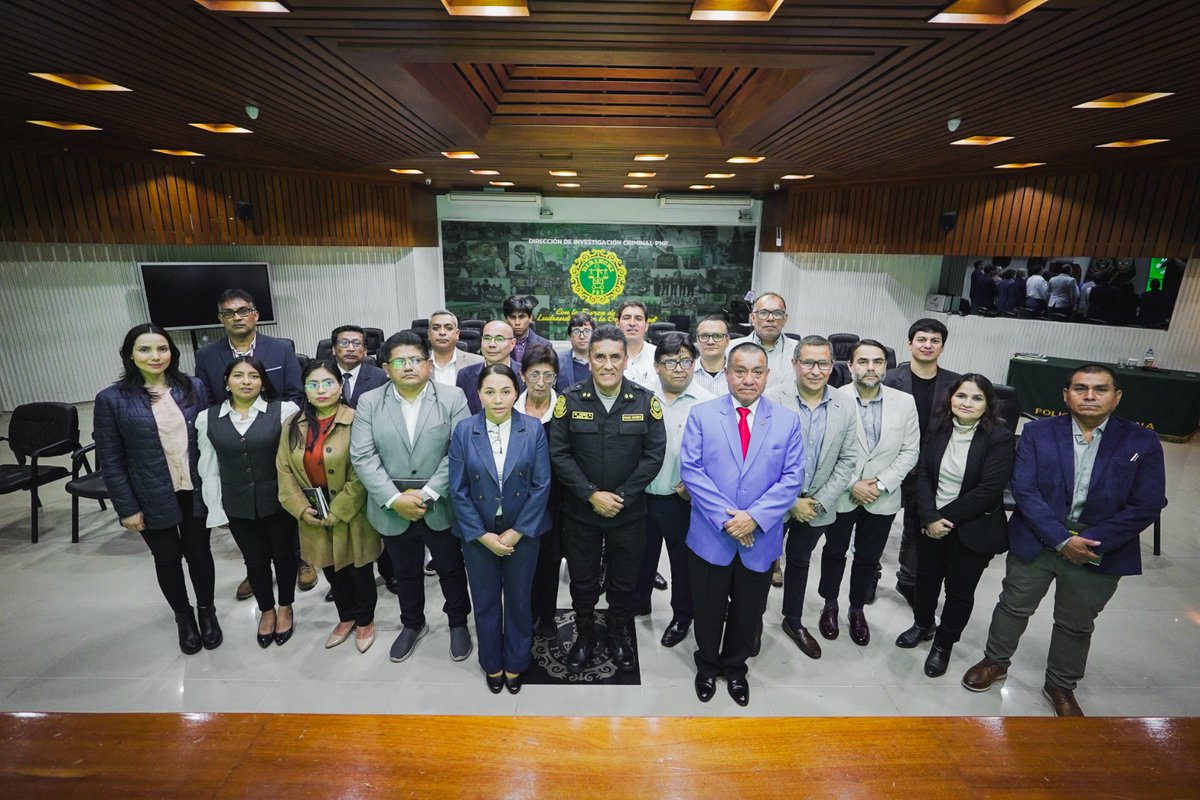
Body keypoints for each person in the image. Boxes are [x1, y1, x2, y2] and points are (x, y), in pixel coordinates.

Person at [962, 365, 1167, 716]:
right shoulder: (1037, 432)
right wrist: (1060, 539)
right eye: (1081, 388)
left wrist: (1089, 540)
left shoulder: (1141, 441)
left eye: (1100, 389)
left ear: (1116, 397)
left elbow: (1148, 504)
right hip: (1039, 538)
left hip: (1099, 549)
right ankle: (995, 661)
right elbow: (1024, 489)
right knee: (1013, 606)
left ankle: (1060, 683)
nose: (1090, 396)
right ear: (1066, 395)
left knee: (1076, 623)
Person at [680, 342, 805, 706]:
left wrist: (754, 518)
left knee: (748, 611)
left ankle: (736, 668)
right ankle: (707, 665)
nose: (748, 380)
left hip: (760, 538)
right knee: (707, 608)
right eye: (740, 371)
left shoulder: (786, 421)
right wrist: (728, 519)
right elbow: (692, 470)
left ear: (767, 375)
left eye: (757, 372)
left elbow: (792, 478)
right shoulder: (702, 415)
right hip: (711, 536)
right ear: (727, 374)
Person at [94, 323, 222, 655]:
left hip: (193, 488)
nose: (155, 356)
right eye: (145, 349)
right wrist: (127, 508)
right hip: (149, 494)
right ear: (130, 355)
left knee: (199, 553)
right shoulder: (111, 399)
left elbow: (209, 439)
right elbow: (111, 460)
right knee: (167, 558)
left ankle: (207, 610)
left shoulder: (193, 387)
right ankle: (184, 618)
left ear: (172, 353)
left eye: (162, 348)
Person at [350, 330, 474, 663]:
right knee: (405, 572)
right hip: (392, 507)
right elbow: (363, 456)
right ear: (386, 368)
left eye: (416, 360)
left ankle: (458, 622)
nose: (408, 367)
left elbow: (460, 451)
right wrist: (394, 500)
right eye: (399, 362)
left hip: (441, 502)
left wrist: (429, 493)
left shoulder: (452, 397)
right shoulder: (370, 402)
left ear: (429, 365)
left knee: (451, 569)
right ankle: (412, 623)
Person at [549, 325, 666, 674]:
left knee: (624, 580)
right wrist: (590, 494)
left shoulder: (645, 401)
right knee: (582, 581)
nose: (608, 364)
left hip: (628, 513)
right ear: (589, 359)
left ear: (626, 359)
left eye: (615, 356)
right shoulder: (569, 400)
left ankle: (617, 635)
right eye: (600, 356)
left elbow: (654, 455)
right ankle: (584, 636)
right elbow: (559, 453)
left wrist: (622, 496)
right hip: (581, 512)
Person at [193, 288, 311, 599]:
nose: (237, 317)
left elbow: (296, 393)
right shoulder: (206, 356)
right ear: (221, 319)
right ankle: (256, 569)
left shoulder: (280, 349)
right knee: (247, 512)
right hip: (233, 436)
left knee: (284, 504)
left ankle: (300, 559)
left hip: (276, 433)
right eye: (229, 313)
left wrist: (279, 426)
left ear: (255, 315)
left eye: (243, 310)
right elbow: (207, 399)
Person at [897, 375, 1015, 678]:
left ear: (988, 404)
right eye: (961, 396)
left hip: (972, 528)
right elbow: (924, 472)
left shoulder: (999, 437)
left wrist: (940, 519)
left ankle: (943, 644)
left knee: (959, 591)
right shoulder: (938, 426)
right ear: (951, 398)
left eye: (977, 398)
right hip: (931, 522)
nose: (967, 403)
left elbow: (988, 490)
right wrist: (928, 516)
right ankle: (923, 625)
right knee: (926, 579)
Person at [449, 365, 552, 694]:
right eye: (489, 392)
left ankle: (517, 661)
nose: (498, 400)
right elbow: (458, 490)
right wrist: (482, 536)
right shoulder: (464, 430)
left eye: (505, 391)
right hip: (478, 533)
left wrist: (518, 531)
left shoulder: (532, 429)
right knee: (485, 600)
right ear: (478, 394)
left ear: (516, 392)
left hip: (522, 531)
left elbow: (541, 485)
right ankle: (491, 661)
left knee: (520, 600)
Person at [277, 360, 384, 654]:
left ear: (340, 386)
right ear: (305, 390)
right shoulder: (292, 424)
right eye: (313, 384)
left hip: (351, 508)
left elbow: (365, 468)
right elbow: (284, 470)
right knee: (332, 570)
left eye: (328, 383)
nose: (321, 390)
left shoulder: (358, 419)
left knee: (359, 570)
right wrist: (301, 508)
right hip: (312, 508)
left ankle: (365, 620)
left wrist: (340, 508)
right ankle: (345, 617)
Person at [765, 335, 858, 661]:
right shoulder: (773, 399)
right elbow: (762, 458)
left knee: (800, 561)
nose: (815, 370)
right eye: (808, 362)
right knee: (762, 563)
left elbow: (847, 460)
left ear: (832, 366)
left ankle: (793, 620)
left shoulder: (845, 404)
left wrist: (818, 502)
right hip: (776, 503)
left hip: (818, 504)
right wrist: (790, 502)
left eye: (823, 363)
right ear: (794, 364)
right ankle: (752, 623)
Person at [821, 340, 919, 647]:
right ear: (850, 365)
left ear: (886, 366)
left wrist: (880, 484)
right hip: (841, 492)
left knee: (868, 557)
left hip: (882, 496)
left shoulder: (905, 402)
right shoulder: (833, 399)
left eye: (877, 361)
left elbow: (910, 451)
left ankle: (857, 609)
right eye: (863, 361)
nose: (870, 368)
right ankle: (830, 604)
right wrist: (853, 483)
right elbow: (826, 450)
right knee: (834, 552)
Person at [197, 356, 300, 647]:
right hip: (237, 502)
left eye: (254, 376)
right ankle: (266, 610)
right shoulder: (208, 418)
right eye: (238, 376)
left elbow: (293, 459)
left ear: (263, 382)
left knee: (284, 555)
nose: (246, 382)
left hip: (278, 500)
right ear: (226, 383)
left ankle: (285, 606)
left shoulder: (284, 411)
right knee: (254, 560)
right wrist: (215, 508)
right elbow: (209, 467)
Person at [632, 333, 714, 648]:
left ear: (694, 364)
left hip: (683, 499)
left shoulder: (708, 403)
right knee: (641, 556)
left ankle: (682, 615)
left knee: (682, 564)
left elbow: (717, 454)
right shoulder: (640, 396)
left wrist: (696, 486)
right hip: (642, 495)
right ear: (656, 366)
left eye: (685, 361)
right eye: (669, 362)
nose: (678, 369)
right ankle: (639, 602)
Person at [882, 319, 961, 607]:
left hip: (928, 472)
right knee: (876, 526)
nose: (928, 345)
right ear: (910, 343)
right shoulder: (889, 378)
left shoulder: (955, 383)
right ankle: (869, 577)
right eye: (922, 339)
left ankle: (907, 580)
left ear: (942, 346)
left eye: (934, 340)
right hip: (890, 467)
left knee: (917, 529)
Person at [456, 320, 524, 414]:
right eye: (487, 338)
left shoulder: (524, 374)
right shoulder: (465, 375)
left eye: (499, 339)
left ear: (512, 343)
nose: (492, 344)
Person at [729, 292, 792, 388]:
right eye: (763, 313)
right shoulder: (730, 348)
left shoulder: (800, 350)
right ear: (753, 318)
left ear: (785, 319)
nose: (770, 318)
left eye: (777, 313)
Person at [329, 325, 387, 408]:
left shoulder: (381, 377)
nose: (351, 349)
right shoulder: (324, 376)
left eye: (357, 343)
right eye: (344, 343)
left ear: (365, 350)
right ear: (334, 349)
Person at [428, 309, 484, 387]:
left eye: (449, 328)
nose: (442, 332)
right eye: (436, 328)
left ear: (457, 334)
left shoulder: (478, 362)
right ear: (429, 334)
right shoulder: (418, 363)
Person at [616, 300, 658, 389]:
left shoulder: (658, 355)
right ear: (617, 324)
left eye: (638, 319)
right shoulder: (607, 356)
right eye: (626, 318)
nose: (632, 323)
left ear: (646, 326)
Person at [504, 295, 552, 365]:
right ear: (506, 319)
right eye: (513, 317)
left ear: (530, 318)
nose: (517, 323)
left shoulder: (544, 345)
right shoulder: (499, 343)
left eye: (522, 317)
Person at [693, 315, 731, 396]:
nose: (710, 342)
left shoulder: (739, 373)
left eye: (717, 336)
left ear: (727, 341)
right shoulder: (685, 372)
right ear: (697, 340)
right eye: (704, 336)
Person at [556, 312, 594, 392]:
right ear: (569, 337)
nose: (582, 337)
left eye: (587, 331)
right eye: (576, 332)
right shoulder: (557, 360)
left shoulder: (602, 360)